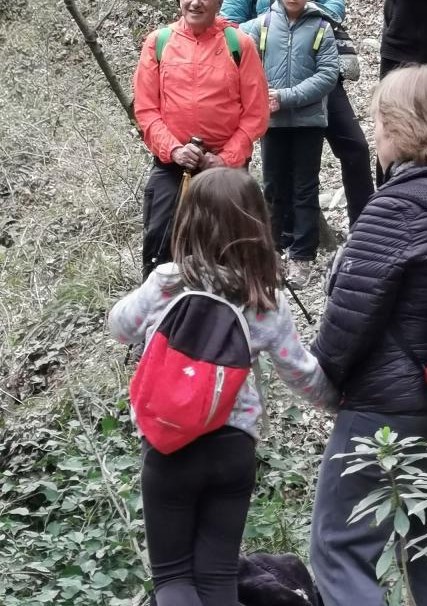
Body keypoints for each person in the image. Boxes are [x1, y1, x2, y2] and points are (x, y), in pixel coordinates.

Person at [309, 64, 427, 606]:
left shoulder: (392, 208)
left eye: (378, 122)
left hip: (385, 413)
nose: (375, 134)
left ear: (398, 128)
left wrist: (324, 375)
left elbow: (347, 325)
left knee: (340, 548)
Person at [108, 167, 338, 606]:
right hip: (233, 447)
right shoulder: (264, 296)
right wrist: (340, 403)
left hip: (169, 446)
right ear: (257, 224)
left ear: (188, 220)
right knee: (217, 579)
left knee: (173, 578)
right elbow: (301, 373)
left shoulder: (168, 282)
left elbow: (120, 326)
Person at [221, 0, 374, 228]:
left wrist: (297, 16)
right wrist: (274, 24)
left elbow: (335, 3)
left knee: (355, 148)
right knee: (282, 170)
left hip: (319, 73)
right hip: (273, 84)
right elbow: (231, 34)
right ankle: (284, 242)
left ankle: (366, 227)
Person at [133, 0, 268, 280]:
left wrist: (224, 158)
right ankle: (160, 319)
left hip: (226, 169)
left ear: (218, 1)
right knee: (161, 245)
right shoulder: (158, 42)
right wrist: (174, 150)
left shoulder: (239, 44)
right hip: (172, 165)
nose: (195, 2)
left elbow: (256, 113)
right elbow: (146, 109)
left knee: (229, 248)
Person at [241, 0, 339, 289]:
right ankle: (272, 253)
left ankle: (302, 257)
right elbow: (236, 51)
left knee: (305, 188)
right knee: (272, 188)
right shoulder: (261, 26)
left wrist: (285, 96)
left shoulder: (322, 26)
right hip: (273, 124)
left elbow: (327, 76)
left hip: (309, 122)